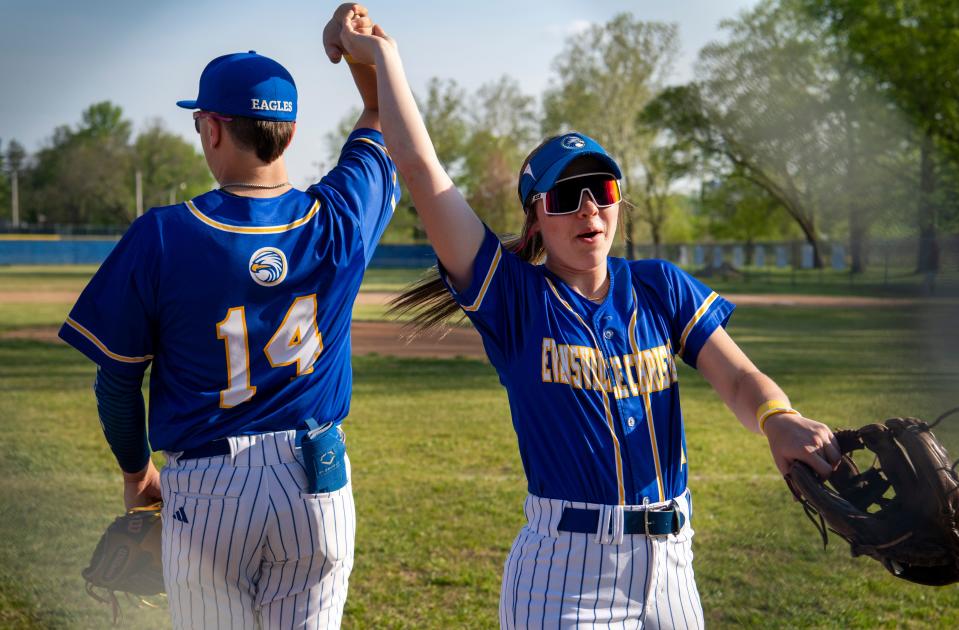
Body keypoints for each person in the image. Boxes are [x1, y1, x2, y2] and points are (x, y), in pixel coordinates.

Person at [337, 18, 842, 628]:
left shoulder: (659, 287)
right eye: (564, 196)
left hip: (673, 568)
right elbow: (420, 170)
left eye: (600, 190)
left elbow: (738, 379)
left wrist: (778, 420)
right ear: (536, 220)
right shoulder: (515, 299)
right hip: (566, 574)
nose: (588, 210)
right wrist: (382, 58)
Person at [58, 4, 398, 628]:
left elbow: (117, 381)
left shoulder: (162, 236)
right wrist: (357, 49)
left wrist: (137, 473)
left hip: (210, 493)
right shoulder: (339, 219)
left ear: (212, 129)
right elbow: (381, 117)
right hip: (317, 484)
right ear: (290, 134)